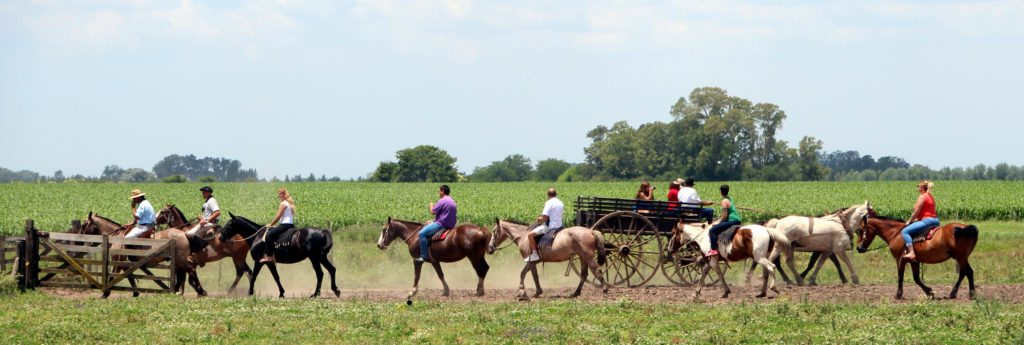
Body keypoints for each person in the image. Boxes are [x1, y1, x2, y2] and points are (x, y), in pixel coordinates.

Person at [416, 185, 457, 263]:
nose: (438, 193)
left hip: (442, 224)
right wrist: (433, 221)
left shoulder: (442, 200)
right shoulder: (453, 201)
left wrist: (431, 205)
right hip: (451, 225)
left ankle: (424, 257)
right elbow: (445, 214)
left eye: (439, 191)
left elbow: (432, 212)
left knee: (422, 234)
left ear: (443, 191)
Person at [901, 180, 939, 261]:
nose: (917, 187)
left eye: (918, 186)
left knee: (905, 232)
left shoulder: (922, 197)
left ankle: (911, 253)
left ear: (922, 188)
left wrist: (909, 221)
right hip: (936, 221)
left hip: (927, 221)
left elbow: (916, 212)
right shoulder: (930, 196)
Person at [526, 188, 563, 262]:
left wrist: (539, 219)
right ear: (556, 194)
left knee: (530, 235)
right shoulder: (560, 202)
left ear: (548, 195)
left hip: (550, 227)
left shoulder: (549, 203)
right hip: (560, 226)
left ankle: (534, 255)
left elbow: (544, 219)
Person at [260, 188, 295, 263]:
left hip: (285, 225)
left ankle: (269, 256)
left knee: (269, 235)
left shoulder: (283, 204)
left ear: (284, 195)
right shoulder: (289, 203)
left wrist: (271, 224)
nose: (279, 196)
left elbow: (278, 216)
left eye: (280, 194)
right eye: (278, 194)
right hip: (290, 225)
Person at [706, 184, 742, 257]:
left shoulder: (724, 201)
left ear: (721, 192)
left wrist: (717, 222)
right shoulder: (729, 198)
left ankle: (713, 249)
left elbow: (725, 216)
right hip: (737, 219)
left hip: (732, 221)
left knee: (712, 230)